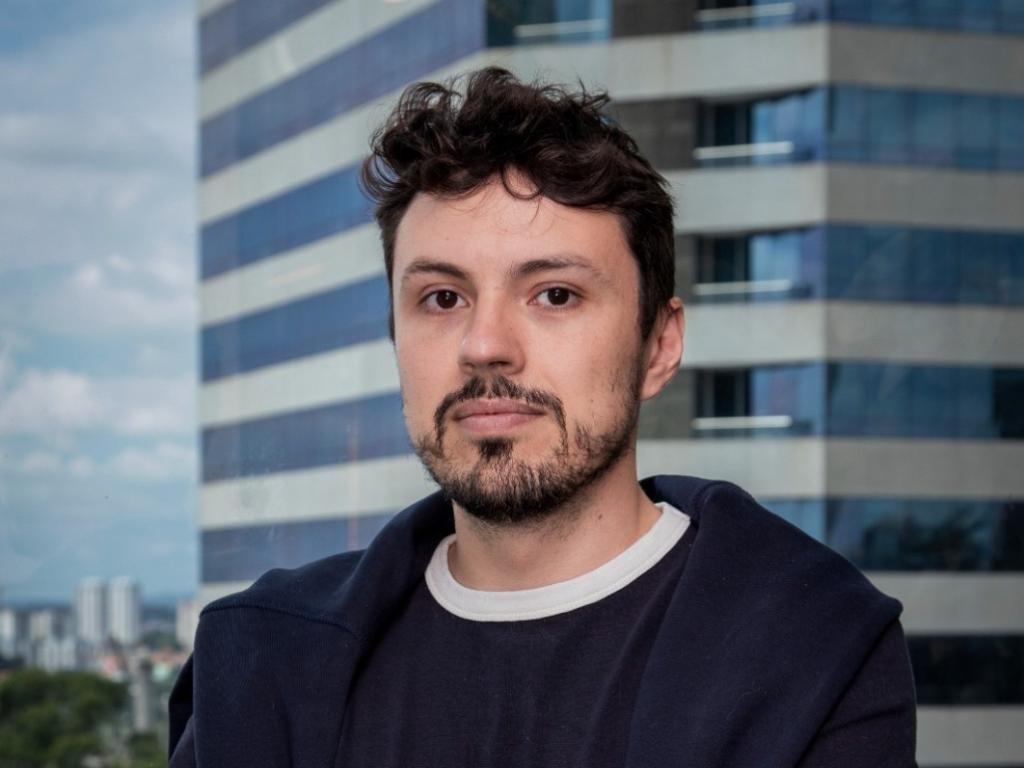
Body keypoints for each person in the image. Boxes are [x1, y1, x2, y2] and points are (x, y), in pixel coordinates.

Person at [168, 67, 917, 767]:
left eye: (555, 294)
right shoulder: (261, 660)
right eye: (442, 298)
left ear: (659, 346)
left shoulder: (815, 649)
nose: (484, 346)